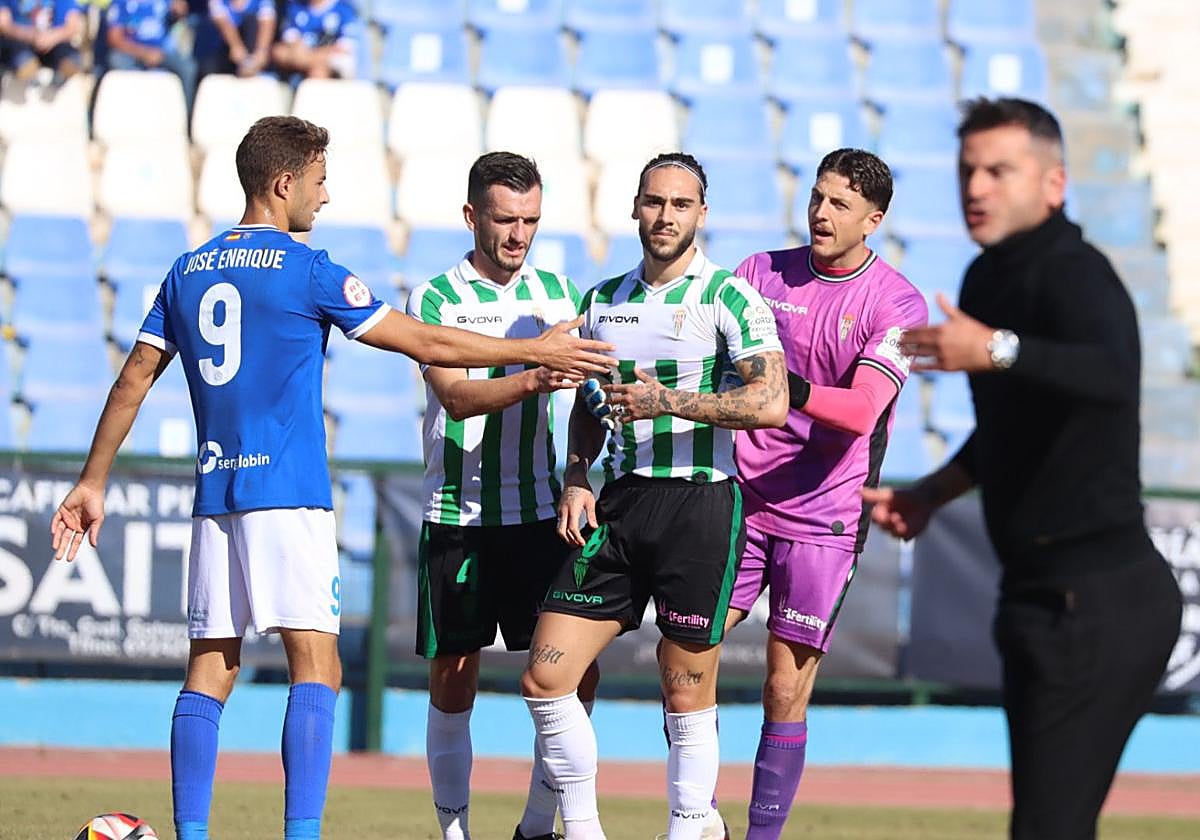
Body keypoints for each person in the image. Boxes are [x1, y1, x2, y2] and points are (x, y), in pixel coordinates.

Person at [48, 115, 616, 840]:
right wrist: (534, 350)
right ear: (283, 183)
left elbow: (133, 378)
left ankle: (191, 833)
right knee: (316, 668)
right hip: (290, 495)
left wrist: (92, 481)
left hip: (216, 495)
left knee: (210, 670)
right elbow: (426, 341)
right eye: (318, 180)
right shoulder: (308, 267)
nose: (326, 195)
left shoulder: (187, 268)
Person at [867, 97, 1183, 840]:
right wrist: (932, 494)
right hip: (1039, 597)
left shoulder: (1075, 272)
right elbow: (1009, 426)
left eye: (999, 170)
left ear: (1053, 184)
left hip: (1099, 601)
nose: (976, 186)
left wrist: (998, 350)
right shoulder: (985, 282)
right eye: (967, 169)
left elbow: (1111, 373)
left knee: (1048, 828)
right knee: (1049, 824)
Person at [519, 152, 788, 840]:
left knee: (684, 687)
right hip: (623, 502)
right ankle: (580, 829)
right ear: (635, 207)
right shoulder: (602, 301)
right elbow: (587, 402)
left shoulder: (727, 296)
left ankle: (690, 826)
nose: (664, 216)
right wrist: (578, 472)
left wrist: (665, 400)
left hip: (701, 504)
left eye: (680, 204)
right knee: (547, 677)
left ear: (701, 214)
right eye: (653, 202)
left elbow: (770, 402)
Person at [722, 148, 928, 839]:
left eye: (840, 204)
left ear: (873, 220)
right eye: (816, 197)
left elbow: (865, 410)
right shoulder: (758, 273)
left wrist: (789, 390)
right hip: (743, 498)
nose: (820, 212)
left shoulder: (898, 302)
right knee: (686, 651)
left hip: (825, 514)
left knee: (784, 687)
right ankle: (691, 815)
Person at [404, 151, 603, 840]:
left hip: (543, 517)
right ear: (471, 217)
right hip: (457, 515)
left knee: (575, 676)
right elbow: (456, 398)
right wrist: (534, 363)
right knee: (454, 679)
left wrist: (580, 470)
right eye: (504, 220)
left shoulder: (561, 296)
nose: (518, 235)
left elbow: (591, 404)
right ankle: (454, 833)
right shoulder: (434, 299)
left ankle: (537, 824)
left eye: (530, 221)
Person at [105, 0, 198, 112]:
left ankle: (186, 117)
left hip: (162, 52)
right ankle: (130, 110)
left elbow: (178, 14)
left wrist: (179, 12)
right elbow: (114, 38)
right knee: (116, 60)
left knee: (188, 67)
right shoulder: (122, 3)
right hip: (132, 53)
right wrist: (144, 53)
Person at [270, 0, 358, 81]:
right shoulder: (296, 5)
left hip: (329, 58)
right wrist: (303, 55)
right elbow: (291, 38)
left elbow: (344, 47)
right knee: (279, 51)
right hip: (300, 56)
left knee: (318, 71)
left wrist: (311, 56)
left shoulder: (344, 8)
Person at [0, 0, 83, 81]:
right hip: (18, 42)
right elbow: (3, 24)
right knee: (24, 62)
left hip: (54, 43)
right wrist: (30, 36)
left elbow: (73, 25)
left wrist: (51, 37)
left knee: (72, 62)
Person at [196, 0, 275, 79]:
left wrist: (261, 52)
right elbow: (223, 23)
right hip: (223, 50)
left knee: (250, 20)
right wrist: (236, 48)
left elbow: (267, 21)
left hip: (252, 49)